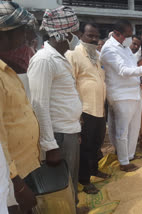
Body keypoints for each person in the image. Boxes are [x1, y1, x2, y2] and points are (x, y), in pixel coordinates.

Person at [28, 6, 83, 206]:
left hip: (69, 130)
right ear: (65, 33)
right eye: (75, 32)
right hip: (58, 135)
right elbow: (39, 105)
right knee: (61, 183)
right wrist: (50, 146)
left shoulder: (60, 58)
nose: (77, 37)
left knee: (70, 179)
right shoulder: (44, 61)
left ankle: (73, 208)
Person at [100, 20, 142, 172]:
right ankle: (123, 162)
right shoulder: (109, 49)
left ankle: (129, 155)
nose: (130, 38)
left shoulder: (125, 47)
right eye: (127, 35)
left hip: (134, 92)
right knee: (122, 130)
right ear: (116, 34)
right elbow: (123, 70)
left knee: (134, 128)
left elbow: (132, 68)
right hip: (121, 95)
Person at [0, 1, 41, 212]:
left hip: (22, 165)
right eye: (21, 31)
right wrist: (17, 184)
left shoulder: (7, 69)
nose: (25, 36)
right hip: (10, 177)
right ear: (4, 35)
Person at [65, 23, 110, 194]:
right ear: (80, 35)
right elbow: (70, 84)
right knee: (85, 147)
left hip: (99, 108)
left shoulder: (96, 56)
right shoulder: (73, 55)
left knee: (97, 143)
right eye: (90, 35)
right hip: (85, 110)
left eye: (96, 36)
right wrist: (77, 114)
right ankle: (84, 180)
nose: (93, 39)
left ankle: (94, 170)